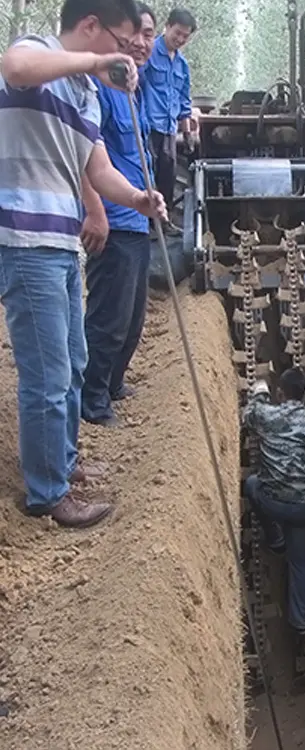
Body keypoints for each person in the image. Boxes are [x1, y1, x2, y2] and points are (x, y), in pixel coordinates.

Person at [0, 0, 167, 528]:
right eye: (122, 43)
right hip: (26, 241)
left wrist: (139, 197)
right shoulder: (40, 54)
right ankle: (47, 494)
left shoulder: (88, 95)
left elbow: (97, 169)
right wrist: (94, 63)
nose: (127, 55)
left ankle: (63, 463)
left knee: (72, 361)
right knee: (47, 373)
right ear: (90, 26)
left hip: (60, 243)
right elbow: (14, 68)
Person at [80, 2, 157, 427]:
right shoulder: (102, 89)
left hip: (136, 220)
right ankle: (92, 401)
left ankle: (112, 382)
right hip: (113, 220)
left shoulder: (134, 89)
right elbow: (85, 156)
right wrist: (95, 212)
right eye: (136, 35)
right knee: (109, 318)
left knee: (131, 319)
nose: (142, 44)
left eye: (149, 36)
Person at [242, 368, 305, 645]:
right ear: (304, 395)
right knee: (300, 562)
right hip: (303, 507)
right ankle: (301, 623)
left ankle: (275, 539)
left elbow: (248, 416)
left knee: (253, 484)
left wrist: (259, 391)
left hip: (273, 502)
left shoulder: (269, 415)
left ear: (281, 393)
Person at [141, 7, 196, 214]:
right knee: (146, 173)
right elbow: (133, 83)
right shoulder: (149, 51)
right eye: (178, 33)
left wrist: (188, 132)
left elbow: (184, 101)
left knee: (168, 176)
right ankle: (146, 221)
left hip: (170, 129)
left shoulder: (182, 65)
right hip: (148, 126)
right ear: (167, 26)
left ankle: (165, 220)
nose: (180, 39)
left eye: (185, 36)